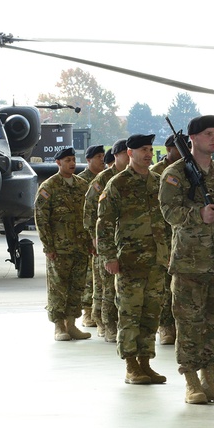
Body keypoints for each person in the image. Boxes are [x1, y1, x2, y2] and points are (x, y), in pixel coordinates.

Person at [159, 115, 214, 404]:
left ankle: (210, 379)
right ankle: (192, 382)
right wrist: (198, 215)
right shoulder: (175, 173)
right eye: (207, 133)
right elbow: (169, 212)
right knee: (190, 324)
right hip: (189, 262)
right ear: (191, 138)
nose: (213, 138)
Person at [96, 134, 169, 386]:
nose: (148, 154)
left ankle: (145, 362)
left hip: (157, 260)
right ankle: (130, 365)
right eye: (143, 150)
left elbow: (168, 221)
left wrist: (168, 253)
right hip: (129, 260)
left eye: (150, 149)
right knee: (129, 313)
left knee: (151, 314)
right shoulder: (118, 184)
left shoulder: (159, 182)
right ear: (130, 153)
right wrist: (108, 256)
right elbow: (104, 224)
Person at [35, 147, 92, 342]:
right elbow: (41, 219)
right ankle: (59, 326)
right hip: (60, 249)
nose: (72, 163)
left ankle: (71, 324)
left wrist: (91, 241)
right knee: (58, 288)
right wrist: (48, 247)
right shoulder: (48, 187)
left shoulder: (82, 186)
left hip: (81, 247)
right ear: (58, 163)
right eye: (67, 160)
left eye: (73, 159)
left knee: (77, 287)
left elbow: (90, 216)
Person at [85, 140, 128, 340]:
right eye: (126, 154)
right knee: (106, 285)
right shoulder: (103, 180)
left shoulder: (134, 177)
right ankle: (106, 323)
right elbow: (89, 211)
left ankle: (121, 322)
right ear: (118, 155)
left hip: (128, 241)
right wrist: (94, 238)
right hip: (107, 239)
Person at [150, 135, 183, 345]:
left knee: (179, 285)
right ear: (169, 149)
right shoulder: (155, 173)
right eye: (180, 147)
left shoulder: (188, 170)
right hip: (161, 235)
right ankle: (165, 327)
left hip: (181, 236)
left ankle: (180, 326)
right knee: (163, 284)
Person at [77, 144, 105, 328]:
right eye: (98, 157)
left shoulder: (106, 178)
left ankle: (100, 311)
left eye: (103, 156)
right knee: (88, 275)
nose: (102, 160)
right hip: (85, 234)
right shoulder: (81, 181)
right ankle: (87, 312)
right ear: (88, 160)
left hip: (101, 234)